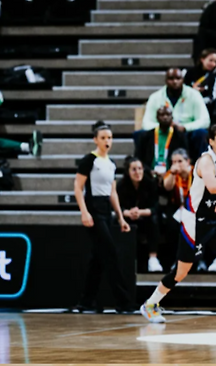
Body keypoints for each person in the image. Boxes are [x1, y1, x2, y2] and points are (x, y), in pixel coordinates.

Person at [140, 124, 216, 323]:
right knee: (181, 271)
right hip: (196, 221)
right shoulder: (206, 161)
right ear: (211, 142)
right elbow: (213, 188)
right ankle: (150, 304)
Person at [73, 121, 134, 313]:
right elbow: (78, 187)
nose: (107, 141)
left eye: (109, 138)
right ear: (95, 140)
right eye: (103, 138)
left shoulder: (111, 163)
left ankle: (85, 301)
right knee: (110, 252)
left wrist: (120, 217)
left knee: (98, 259)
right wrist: (84, 212)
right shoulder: (89, 160)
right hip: (93, 208)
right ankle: (124, 302)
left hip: (106, 210)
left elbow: (112, 192)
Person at [142, 68, 210, 161]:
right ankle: (147, 167)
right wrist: (163, 126)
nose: (175, 82)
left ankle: (200, 166)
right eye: (171, 79)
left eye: (178, 78)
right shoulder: (155, 97)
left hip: (186, 132)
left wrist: (185, 127)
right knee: (141, 134)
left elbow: (205, 120)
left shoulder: (194, 95)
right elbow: (146, 123)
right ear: (166, 80)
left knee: (201, 133)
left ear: (183, 80)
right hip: (163, 132)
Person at [117, 156, 163, 273]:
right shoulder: (121, 185)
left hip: (145, 215)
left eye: (140, 168)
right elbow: (117, 206)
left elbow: (155, 207)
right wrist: (127, 213)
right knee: (116, 220)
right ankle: (122, 259)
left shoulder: (150, 183)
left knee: (154, 220)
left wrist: (141, 212)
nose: (137, 172)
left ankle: (153, 258)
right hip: (128, 216)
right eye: (134, 169)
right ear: (128, 171)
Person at [136, 105, 188, 177]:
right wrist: (148, 171)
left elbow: (185, 157)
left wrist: (171, 171)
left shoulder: (179, 136)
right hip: (149, 174)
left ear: (172, 118)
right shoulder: (146, 136)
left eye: (168, 115)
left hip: (173, 174)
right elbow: (138, 158)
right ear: (157, 118)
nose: (165, 117)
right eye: (162, 115)